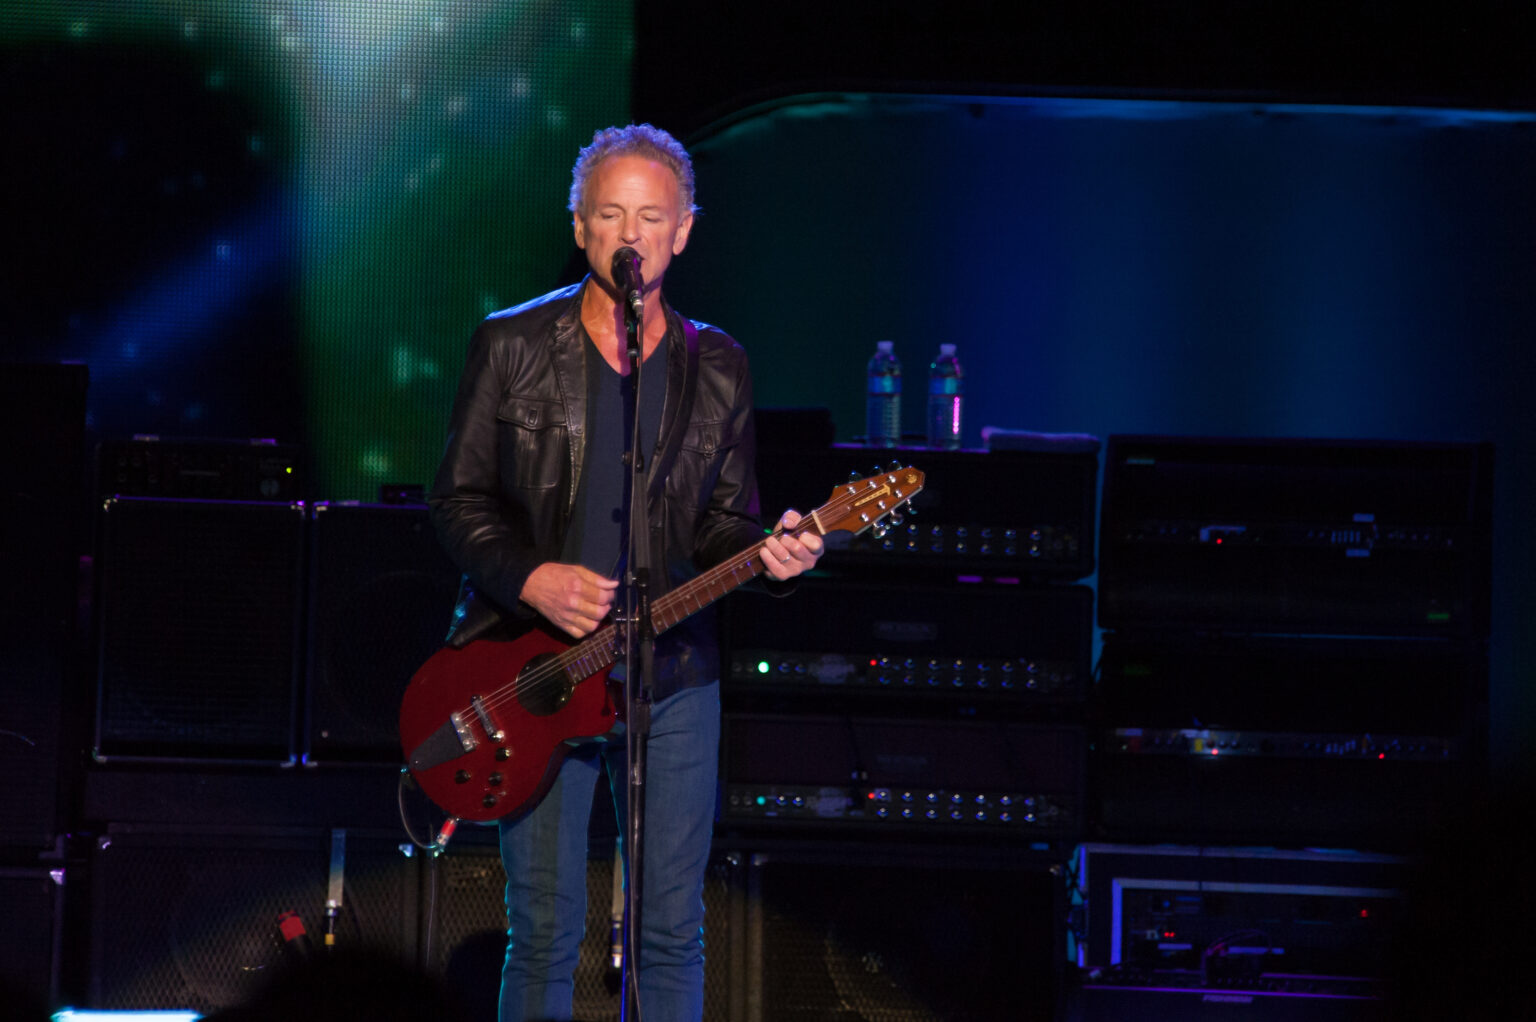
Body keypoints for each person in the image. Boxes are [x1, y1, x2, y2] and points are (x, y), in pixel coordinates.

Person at [428, 123, 822, 1022]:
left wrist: (777, 553)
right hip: (540, 667)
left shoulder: (718, 364)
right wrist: (531, 578)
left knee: (671, 930)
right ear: (580, 227)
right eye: (610, 214)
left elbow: (726, 523)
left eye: (651, 217)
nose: (630, 235)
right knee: (543, 929)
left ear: (684, 231)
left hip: (671, 676)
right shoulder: (511, 344)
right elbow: (455, 501)